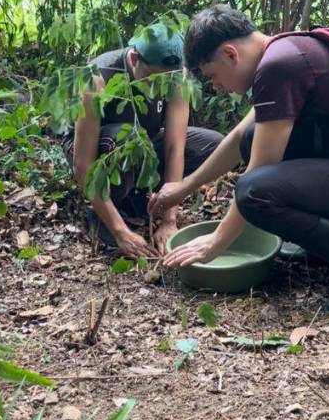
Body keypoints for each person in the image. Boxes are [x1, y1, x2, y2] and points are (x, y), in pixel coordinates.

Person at [152, 5, 329, 314]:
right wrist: (183, 188)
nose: (218, 88)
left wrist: (216, 243)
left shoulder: (280, 66)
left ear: (230, 54)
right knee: (253, 141)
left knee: (254, 192)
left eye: (212, 76)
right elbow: (240, 138)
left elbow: (258, 173)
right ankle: (327, 248)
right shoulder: (283, 49)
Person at [64, 23, 223, 258]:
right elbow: (82, 165)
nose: (157, 88)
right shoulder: (97, 77)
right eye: (151, 78)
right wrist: (120, 232)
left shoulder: (177, 76)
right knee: (128, 139)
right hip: (101, 148)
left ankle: (139, 197)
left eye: (165, 81)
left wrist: (169, 219)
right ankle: (107, 213)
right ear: (135, 58)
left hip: (146, 140)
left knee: (213, 145)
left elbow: (174, 148)